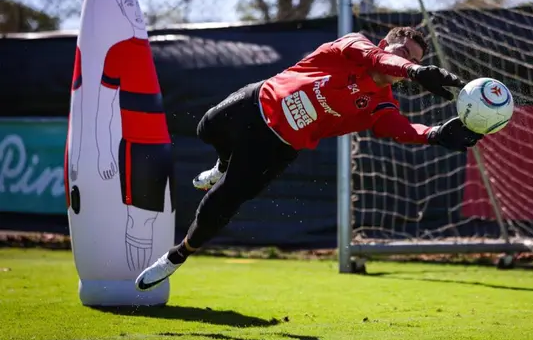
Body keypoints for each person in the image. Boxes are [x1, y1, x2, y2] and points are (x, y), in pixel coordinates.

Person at [135, 27, 482, 291]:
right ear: (384, 45)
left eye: (416, 60)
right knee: (206, 128)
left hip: (278, 146)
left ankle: (176, 256)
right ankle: (222, 163)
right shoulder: (355, 45)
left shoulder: (382, 101)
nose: (409, 62)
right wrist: (416, 72)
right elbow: (377, 60)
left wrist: (434, 133)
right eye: (404, 53)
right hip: (258, 102)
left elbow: (397, 127)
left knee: (222, 202)